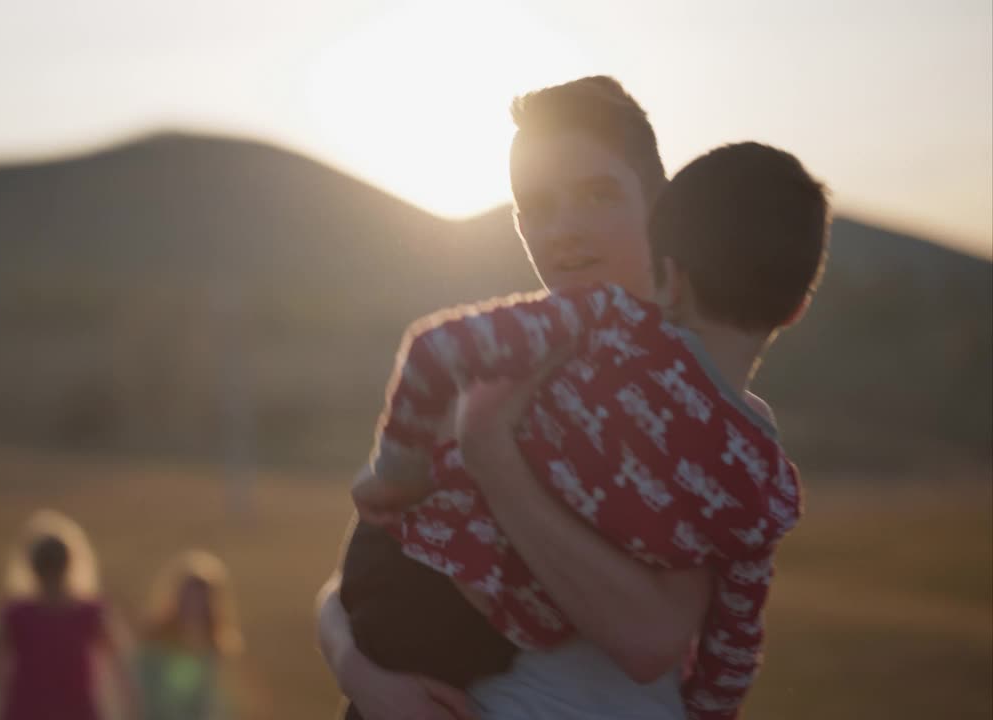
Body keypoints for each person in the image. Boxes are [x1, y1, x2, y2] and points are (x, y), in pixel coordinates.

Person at [354, 141, 828, 719]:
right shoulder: (766, 483)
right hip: (539, 652)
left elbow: (434, 347)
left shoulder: (603, 321)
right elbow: (732, 650)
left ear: (669, 275)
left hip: (433, 597)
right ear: (796, 308)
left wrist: (395, 472)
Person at [319, 76, 713, 720]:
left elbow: (651, 642)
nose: (565, 230)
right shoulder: (490, 360)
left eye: (598, 193)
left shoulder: (693, 396)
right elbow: (359, 569)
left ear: (659, 207)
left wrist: (488, 451)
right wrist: (357, 669)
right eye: (537, 205)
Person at [0, 510, 136, 720]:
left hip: (27, 711)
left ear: (31, 566)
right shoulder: (91, 614)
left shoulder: (18, 614)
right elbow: (123, 669)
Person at [137, 550, 261, 720]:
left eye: (201, 599)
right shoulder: (156, 646)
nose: (195, 605)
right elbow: (145, 696)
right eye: (189, 597)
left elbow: (229, 703)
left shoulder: (222, 650)